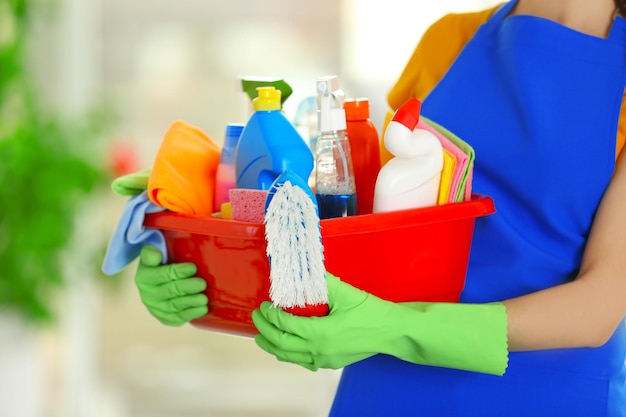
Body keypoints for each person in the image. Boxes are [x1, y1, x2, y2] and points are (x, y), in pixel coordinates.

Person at [132, 0, 626, 415]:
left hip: (547, 395)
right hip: (387, 388)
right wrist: (199, 247)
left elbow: (600, 303)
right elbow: (373, 224)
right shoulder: (450, 41)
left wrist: (398, 327)